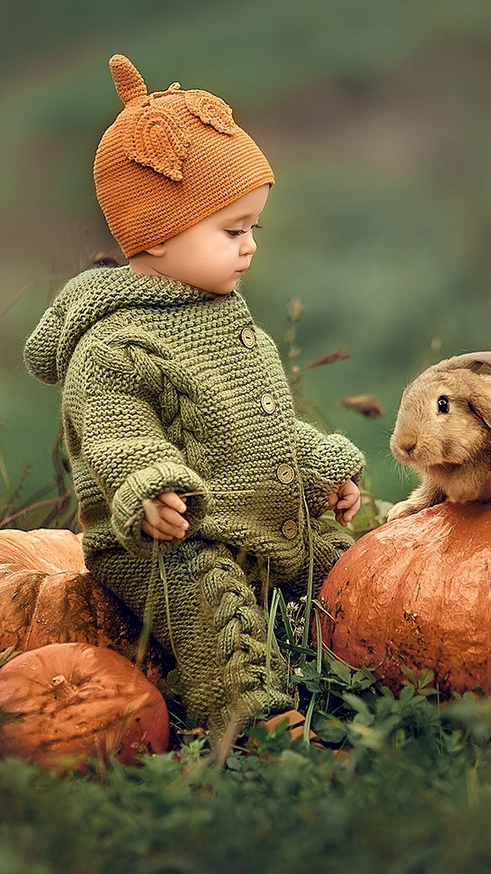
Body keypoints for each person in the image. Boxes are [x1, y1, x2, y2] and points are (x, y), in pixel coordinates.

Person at [24, 54, 364, 736]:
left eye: (253, 230)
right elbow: (120, 435)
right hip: (160, 538)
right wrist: (152, 489)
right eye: (231, 231)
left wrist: (323, 467)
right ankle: (255, 718)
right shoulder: (113, 345)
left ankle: (391, 663)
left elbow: (255, 432)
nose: (249, 249)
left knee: (357, 568)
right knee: (209, 596)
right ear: (157, 234)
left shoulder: (224, 316)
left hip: (257, 518)